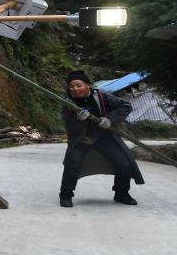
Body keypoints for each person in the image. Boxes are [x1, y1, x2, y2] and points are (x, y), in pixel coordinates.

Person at [60, 69, 144, 208]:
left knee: (124, 164)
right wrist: (78, 120)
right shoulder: (68, 103)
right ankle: (65, 195)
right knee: (72, 163)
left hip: (105, 138)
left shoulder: (102, 96)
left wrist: (110, 120)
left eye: (79, 85)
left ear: (88, 85)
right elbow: (69, 124)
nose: (75, 89)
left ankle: (121, 193)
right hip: (82, 139)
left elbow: (125, 106)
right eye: (72, 86)